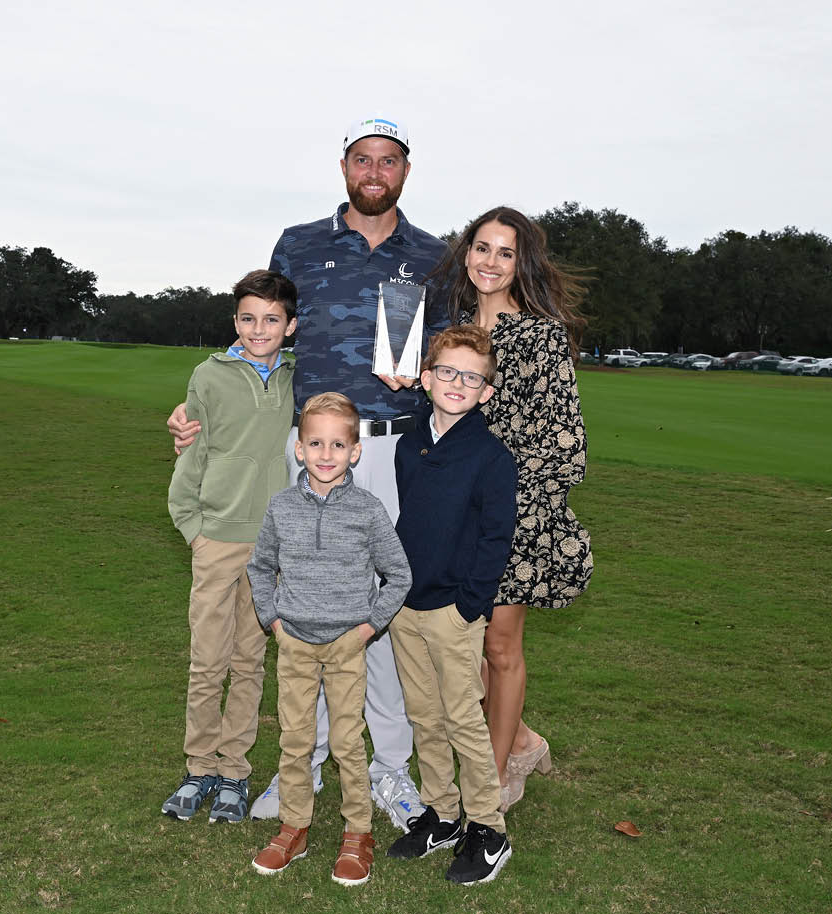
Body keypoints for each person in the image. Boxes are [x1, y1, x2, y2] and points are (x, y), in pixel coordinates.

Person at [168, 116, 449, 828]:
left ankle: (388, 768)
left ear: (405, 172)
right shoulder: (299, 243)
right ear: (345, 167)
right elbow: (262, 337)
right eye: (363, 159)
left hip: (392, 451)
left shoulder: (433, 254)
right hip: (313, 452)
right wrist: (203, 405)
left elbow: (452, 355)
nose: (375, 171)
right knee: (309, 607)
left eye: (389, 161)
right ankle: (308, 761)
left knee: (380, 611)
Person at [434, 205, 593, 812]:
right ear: (465, 254)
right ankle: (522, 740)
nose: (490, 262)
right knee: (458, 650)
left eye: (505, 252)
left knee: (499, 648)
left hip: (514, 518)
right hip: (454, 514)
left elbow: (565, 444)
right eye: (481, 248)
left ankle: (492, 777)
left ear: (520, 263)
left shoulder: (541, 336)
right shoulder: (451, 335)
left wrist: (510, 509)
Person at [246, 393, 412, 886]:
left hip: (346, 645)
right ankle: (294, 826)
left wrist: (367, 627)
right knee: (296, 741)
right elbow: (259, 567)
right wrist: (273, 620)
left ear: (355, 452)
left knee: (346, 744)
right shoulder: (281, 507)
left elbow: (398, 575)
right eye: (314, 442)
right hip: (294, 642)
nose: (325, 454)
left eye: (337, 444)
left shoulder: (367, 509)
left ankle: (357, 833)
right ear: (298, 447)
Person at [161, 270, 299, 824]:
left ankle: (234, 774)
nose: (258, 329)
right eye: (247, 318)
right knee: (207, 661)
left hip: (271, 550)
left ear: (291, 326)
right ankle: (198, 770)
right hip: (217, 539)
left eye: (271, 319)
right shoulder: (209, 375)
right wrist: (194, 528)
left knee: (249, 662)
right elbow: (191, 450)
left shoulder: (298, 377)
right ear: (234, 322)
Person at [387, 325, 517, 884]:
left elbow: (495, 538)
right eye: (447, 372)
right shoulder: (408, 441)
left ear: (486, 391)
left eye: (472, 376)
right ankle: (441, 813)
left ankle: (488, 830)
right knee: (423, 713)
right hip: (406, 606)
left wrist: (470, 606)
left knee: (463, 717)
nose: (457, 383)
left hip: (453, 611)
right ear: (426, 378)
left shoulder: (491, 456)